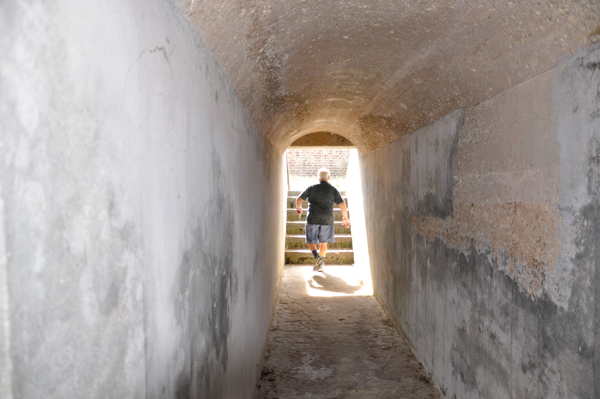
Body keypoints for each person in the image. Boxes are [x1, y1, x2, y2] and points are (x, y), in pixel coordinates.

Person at [296, 168, 350, 272]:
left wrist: (299, 208)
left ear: (318, 178)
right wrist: (345, 218)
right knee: (323, 243)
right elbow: (342, 204)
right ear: (328, 178)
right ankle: (319, 261)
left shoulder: (311, 188)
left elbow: (299, 198)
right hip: (327, 220)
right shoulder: (333, 189)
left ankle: (317, 257)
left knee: (310, 240)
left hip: (312, 219)